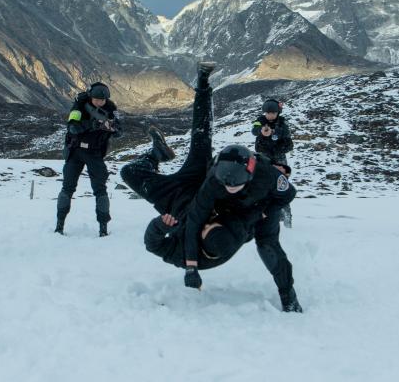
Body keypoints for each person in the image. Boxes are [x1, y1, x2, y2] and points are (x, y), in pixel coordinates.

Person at [120, 63, 302, 312]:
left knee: (268, 245)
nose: (206, 224)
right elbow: (197, 217)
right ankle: (202, 86)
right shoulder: (220, 181)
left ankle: (288, 296)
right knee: (201, 138)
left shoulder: (258, 182)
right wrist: (192, 267)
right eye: (210, 225)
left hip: (188, 197)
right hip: (205, 186)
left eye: (205, 229)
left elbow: (287, 195)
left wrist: (171, 239)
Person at [56, 81, 122, 237]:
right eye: (96, 99)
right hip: (76, 151)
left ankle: (103, 228)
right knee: (67, 188)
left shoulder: (111, 109)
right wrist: (91, 125)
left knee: (100, 190)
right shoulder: (79, 106)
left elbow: (120, 130)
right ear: (91, 97)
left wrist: (113, 128)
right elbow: (72, 127)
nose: (99, 102)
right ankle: (59, 225)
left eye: (102, 100)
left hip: (95, 154)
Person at [251, 98, 295, 227]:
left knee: (282, 185)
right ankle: (264, 217)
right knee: (263, 185)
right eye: (268, 113)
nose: (270, 115)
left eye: (273, 113)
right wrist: (261, 131)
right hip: (264, 158)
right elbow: (254, 130)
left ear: (278, 113)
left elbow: (286, 134)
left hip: (279, 158)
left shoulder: (282, 123)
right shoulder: (260, 120)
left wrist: (274, 132)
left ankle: (286, 217)